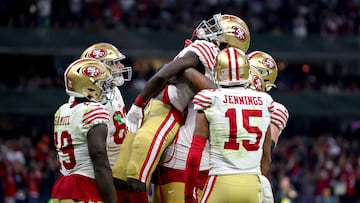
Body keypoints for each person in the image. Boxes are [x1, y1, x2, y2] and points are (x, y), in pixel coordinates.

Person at [112, 13, 251, 203]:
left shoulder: (207, 48)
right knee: (119, 176)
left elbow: (165, 74)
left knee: (135, 175)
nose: (210, 29)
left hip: (165, 110)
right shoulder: (217, 61)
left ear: (228, 41)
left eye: (217, 28)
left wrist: (139, 102)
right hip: (157, 108)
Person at [184, 47, 273, 203]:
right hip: (251, 185)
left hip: (220, 183)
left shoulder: (210, 99)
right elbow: (266, 158)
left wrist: (188, 194)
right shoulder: (264, 101)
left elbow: (194, 156)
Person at [51, 58, 117, 203]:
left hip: (61, 188)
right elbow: (99, 160)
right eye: (102, 84)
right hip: (85, 189)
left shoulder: (62, 110)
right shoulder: (94, 111)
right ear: (89, 87)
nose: (106, 89)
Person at [80, 42, 132, 169]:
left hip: (119, 162)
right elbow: (96, 150)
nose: (121, 66)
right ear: (99, 67)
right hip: (103, 168)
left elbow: (118, 121)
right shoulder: (87, 98)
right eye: (115, 63)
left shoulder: (113, 90)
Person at [247, 50, 290, 203]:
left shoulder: (221, 96)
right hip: (253, 177)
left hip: (220, 174)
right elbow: (265, 158)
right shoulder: (275, 108)